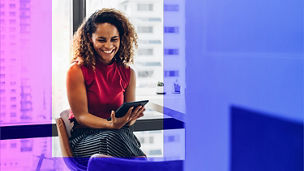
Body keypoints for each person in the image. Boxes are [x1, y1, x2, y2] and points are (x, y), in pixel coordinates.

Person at [66, 8, 146, 166]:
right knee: (114, 138)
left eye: (114, 39)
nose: (109, 46)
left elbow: (127, 124)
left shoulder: (128, 73)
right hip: (85, 138)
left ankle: (143, 165)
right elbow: (81, 116)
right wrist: (110, 124)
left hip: (120, 135)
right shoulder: (77, 71)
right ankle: (145, 165)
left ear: (121, 39)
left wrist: (129, 119)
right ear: (90, 38)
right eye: (102, 40)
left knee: (119, 136)